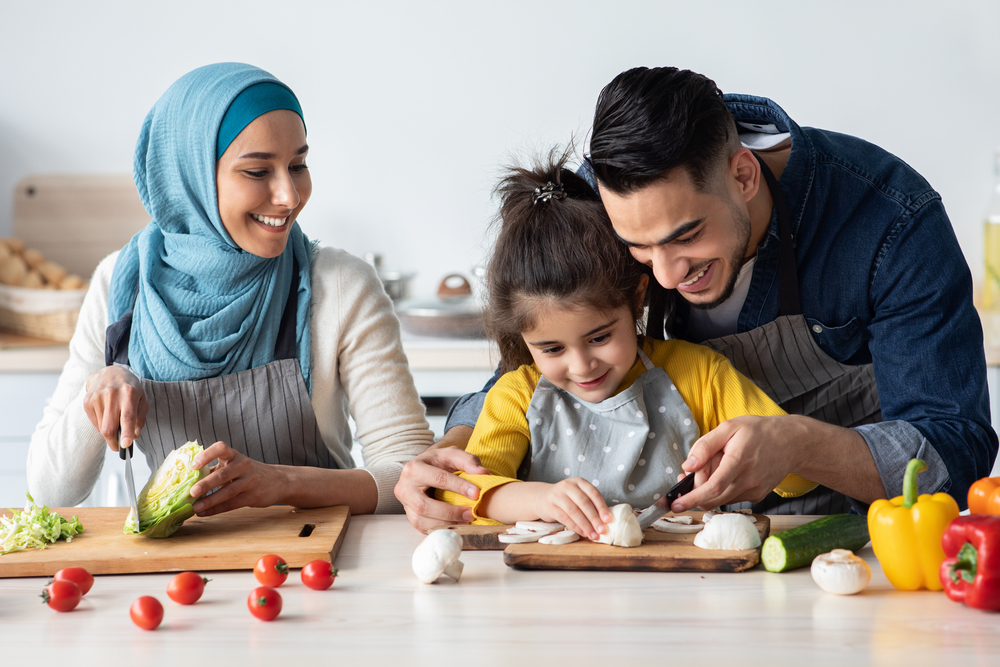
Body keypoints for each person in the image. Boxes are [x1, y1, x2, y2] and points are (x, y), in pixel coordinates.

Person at [397, 66, 997, 528]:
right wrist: (453, 455)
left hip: (849, 537)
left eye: (686, 237)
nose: (662, 276)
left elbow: (954, 447)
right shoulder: (596, 200)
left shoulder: (889, 218)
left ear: (743, 175)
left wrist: (797, 443)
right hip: (674, 540)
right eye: (638, 248)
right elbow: (527, 371)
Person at [27, 63, 433, 515]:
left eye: (298, 165)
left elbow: (413, 474)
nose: (290, 196)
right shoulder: (120, 284)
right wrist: (98, 387)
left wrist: (284, 483)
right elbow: (51, 494)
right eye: (258, 172)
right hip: (177, 576)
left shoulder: (338, 285)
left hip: (319, 567)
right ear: (190, 176)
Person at [436, 152, 815, 539]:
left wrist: (776, 450)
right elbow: (458, 497)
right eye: (552, 349)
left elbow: (798, 478)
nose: (582, 366)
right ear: (523, 340)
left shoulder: (698, 373)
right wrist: (539, 500)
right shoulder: (516, 397)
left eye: (599, 338)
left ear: (636, 298)